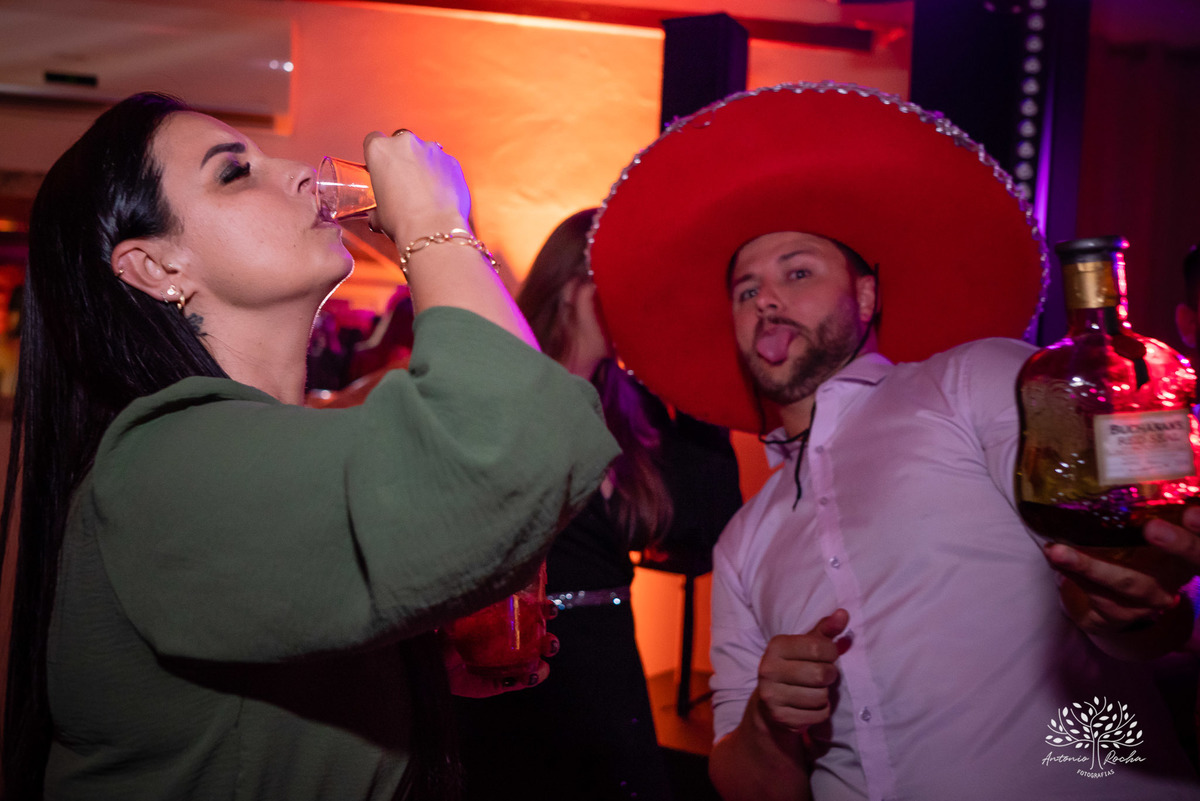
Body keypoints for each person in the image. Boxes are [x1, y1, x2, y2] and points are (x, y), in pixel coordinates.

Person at [587, 82, 1200, 800]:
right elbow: (747, 780)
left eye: (798, 271)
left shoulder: (974, 381)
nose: (767, 300)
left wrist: (1134, 608)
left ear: (867, 296)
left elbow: (1117, 578)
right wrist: (766, 721)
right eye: (745, 290)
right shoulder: (744, 541)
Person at [0, 92, 619, 800]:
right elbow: (517, 440)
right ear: (154, 267)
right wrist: (433, 222)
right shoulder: (166, 463)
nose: (299, 172)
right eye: (234, 173)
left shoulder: (248, 449)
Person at [452, 208, 743, 801]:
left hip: (608, 653)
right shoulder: (506, 384)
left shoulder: (628, 407)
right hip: (520, 656)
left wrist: (695, 393)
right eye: (623, 281)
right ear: (571, 285)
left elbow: (704, 534)